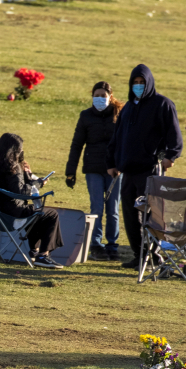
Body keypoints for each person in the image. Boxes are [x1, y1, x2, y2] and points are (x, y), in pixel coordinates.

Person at [106, 64, 183, 269]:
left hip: (151, 169)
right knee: (131, 214)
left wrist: (171, 155)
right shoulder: (128, 108)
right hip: (128, 171)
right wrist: (112, 163)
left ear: (149, 83)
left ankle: (153, 256)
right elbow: (117, 137)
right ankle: (139, 255)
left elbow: (173, 134)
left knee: (152, 215)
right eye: (135, 83)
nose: (138, 86)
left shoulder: (162, 104)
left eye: (142, 83)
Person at [65, 81, 123, 261]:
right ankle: (96, 245)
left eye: (103, 96)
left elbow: (126, 142)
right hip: (93, 167)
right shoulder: (86, 116)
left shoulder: (120, 115)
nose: (99, 99)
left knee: (113, 208)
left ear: (110, 97)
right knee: (96, 207)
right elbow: (77, 144)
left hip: (115, 169)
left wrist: (122, 165)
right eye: (96, 96)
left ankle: (112, 245)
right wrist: (70, 171)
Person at [0, 133, 64, 268]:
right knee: (50, 214)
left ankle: (34, 251)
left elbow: (11, 186)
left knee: (35, 214)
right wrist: (38, 184)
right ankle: (43, 255)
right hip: (12, 214)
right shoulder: (13, 167)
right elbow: (20, 192)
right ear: (16, 150)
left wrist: (27, 177)